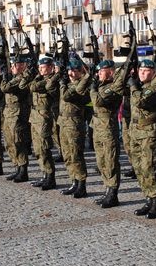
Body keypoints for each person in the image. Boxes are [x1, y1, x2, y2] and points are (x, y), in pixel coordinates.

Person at [129, 58, 156, 219]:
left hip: (149, 132)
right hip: (135, 132)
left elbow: (141, 101)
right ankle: (148, 198)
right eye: (141, 70)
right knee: (138, 167)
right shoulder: (141, 86)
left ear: (154, 73)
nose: (142, 73)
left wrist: (133, 87)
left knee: (149, 167)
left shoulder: (155, 88)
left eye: (147, 70)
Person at [90, 59, 129, 208]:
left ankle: (113, 193)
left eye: (102, 70)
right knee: (101, 161)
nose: (99, 73)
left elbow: (98, 101)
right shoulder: (102, 85)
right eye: (99, 71)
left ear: (111, 72)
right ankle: (107, 189)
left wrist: (93, 89)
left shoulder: (113, 86)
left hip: (107, 127)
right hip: (97, 126)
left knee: (110, 161)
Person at [24, 57, 60, 189]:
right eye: (39, 67)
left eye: (43, 67)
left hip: (44, 117)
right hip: (34, 117)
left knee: (44, 148)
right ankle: (44, 174)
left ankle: (50, 177)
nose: (40, 69)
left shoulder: (51, 80)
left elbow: (33, 87)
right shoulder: (40, 78)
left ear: (50, 67)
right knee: (38, 149)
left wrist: (53, 75)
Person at [58, 59, 92, 198]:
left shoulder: (82, 86)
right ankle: (73, 181)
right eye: (69, 70)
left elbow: (67, 96)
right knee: (67, 154)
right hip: (63, 122)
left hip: (74, 123)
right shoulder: (68, 84)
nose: (71, 73)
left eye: (74, 71)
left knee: (76, 154)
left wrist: (62, 85)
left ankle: (81, 185)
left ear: (81, 72)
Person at [0, 57, 32, 181]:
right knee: (9, 143)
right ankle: (17, 167)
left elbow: (5, 88)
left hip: (18, 115)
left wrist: (3, 77)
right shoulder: (15, 78)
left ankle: (23, 170)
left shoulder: (23, 78)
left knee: (18, 142)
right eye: (12, 65)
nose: (12, 67)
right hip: (9, 114)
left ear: (23, 65)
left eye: (15, 65)